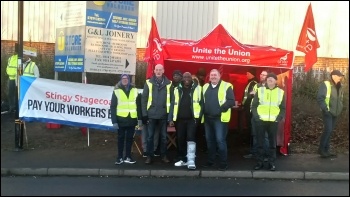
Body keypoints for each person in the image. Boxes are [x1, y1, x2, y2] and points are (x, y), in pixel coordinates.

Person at [251, 72, 286, 171]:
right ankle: (259, 162)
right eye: (268, 78)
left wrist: (279, 118)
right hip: (261, 121)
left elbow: (283, 108)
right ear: (266, 80)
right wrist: (256, 117)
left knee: (272, 144)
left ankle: (271, 163)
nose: (270, 79)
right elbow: (254, 106)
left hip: (273, 122)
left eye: (272, 78)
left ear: (276, 81)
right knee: (260, 143)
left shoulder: (280, 92)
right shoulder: (260, 90)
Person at [202, 69, 235, 171]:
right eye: (212, 75)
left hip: (220, 119)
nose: (213, 77)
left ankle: (223, 163)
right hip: (207, 118)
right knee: (209, 141)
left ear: (219, 76)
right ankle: (211, 161)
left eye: (215, 75)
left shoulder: (227, 86)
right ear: (209, 77)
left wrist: (220, 110)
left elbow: (231, 101)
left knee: (220, 141)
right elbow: (201, 101)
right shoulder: (205, 86)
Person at [169, 72, 203, 170]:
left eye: (188, 77)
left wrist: (199, 117)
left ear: (191, 79)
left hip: (192, 119)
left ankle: (191, 160)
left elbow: (202, 104)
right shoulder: (176, 89)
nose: (187, 78)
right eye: (185, 77)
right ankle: (182, 159)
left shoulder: (198, 89)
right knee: (180, 138)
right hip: (179, 119)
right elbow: (172, 104)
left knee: (191, 138)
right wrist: (170, 118)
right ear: (182, 79)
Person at [141, 64, 172, 164]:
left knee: (163, 137)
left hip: (164, 115)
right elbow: (144, 100)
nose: (158, 71)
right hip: (151, 114)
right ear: (154, 71)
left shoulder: (169, 84)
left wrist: (170, 116)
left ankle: (164, 156)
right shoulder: (148, 83)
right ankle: (149, 156)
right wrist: (144, 114)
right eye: (157, 70)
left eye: (160, 70)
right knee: (150, 137)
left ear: (163, 71)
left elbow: (172, 101)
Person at [110, 74, 139, 165]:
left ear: (129, 80)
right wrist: (114, 121)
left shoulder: (134, 90)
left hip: (132, 119)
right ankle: (119, 158)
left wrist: (140, 119)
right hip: (121, 119)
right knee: (121, 139)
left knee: (130, 139)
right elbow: (113, 107)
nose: (125, 80)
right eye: (123, 78)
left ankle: (128, 157)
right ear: (121, 80)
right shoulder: (116, 91)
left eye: (126, 78)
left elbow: (138, 105)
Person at [316, 70, 344, 158]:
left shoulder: (340, 86)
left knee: (330, 131)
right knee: (328, 130)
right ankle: (321, 150)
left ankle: (326, 150)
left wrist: (340, 108)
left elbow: (340, 99)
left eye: (341, 76)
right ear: (333, 76)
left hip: (335, 112)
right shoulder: (326, 84)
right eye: (339, 76)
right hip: (328, 112)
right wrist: (325, 109)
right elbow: (320, 98)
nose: (340, 77)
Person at [243, 70, 269, 159]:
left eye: (264, 75)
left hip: (265, 115)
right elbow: (250, 96)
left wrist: (255, 94)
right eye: (261, 74)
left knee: (265, 136)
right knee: (254, 134)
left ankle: (266, 155)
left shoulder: (270, 87)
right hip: (255, 114)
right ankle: (254, 153)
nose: (262, 76)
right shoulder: (256, 85)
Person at [242, 68, 258, 134]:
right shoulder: (251, 82)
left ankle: (250, 138)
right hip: (249, 106)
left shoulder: (253, 83)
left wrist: (243, 104)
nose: (246, 75)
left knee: (250, 123)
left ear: (252, 74)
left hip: (250, 106)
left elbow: (249, 96)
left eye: (248, 73)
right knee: (249, 122)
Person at [6, 44, 18, 113]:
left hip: (16, 79)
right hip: (11, 78)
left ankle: (16, 107)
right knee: (10, 94)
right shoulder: (10, 58)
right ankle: (12, 107)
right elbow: (7, 67)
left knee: (15, 94)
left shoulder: (19, 58)